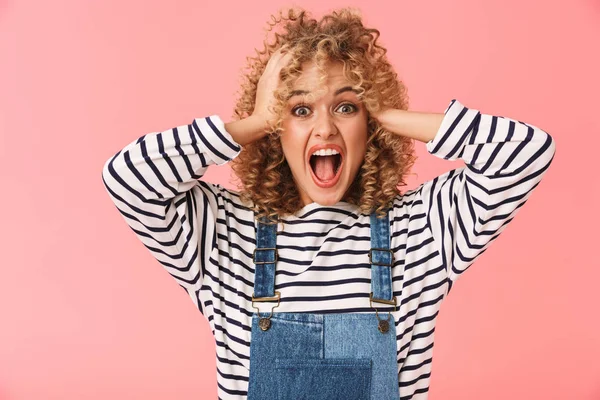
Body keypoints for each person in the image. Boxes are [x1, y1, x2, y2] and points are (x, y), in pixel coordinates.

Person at [101, 7, 556, 400]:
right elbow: (126, 178)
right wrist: (255, 120)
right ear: (277, 131)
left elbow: (527, 153)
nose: (323, 130)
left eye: (345, 108)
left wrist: (385, 114)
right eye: (299, 110)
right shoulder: (222, 233)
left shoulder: (423, 229)